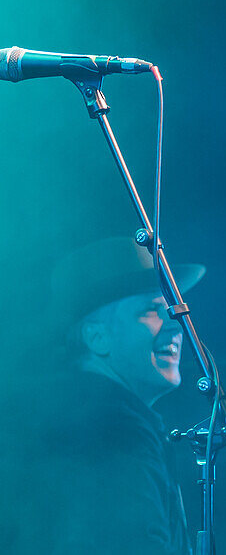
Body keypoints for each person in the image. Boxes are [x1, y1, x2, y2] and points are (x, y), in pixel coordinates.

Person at [0, 237, 204, 555]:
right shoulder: (114, 426)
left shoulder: (79, 415)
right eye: (151, 311)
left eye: (170, 311)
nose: (174, 327)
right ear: (97, 336)